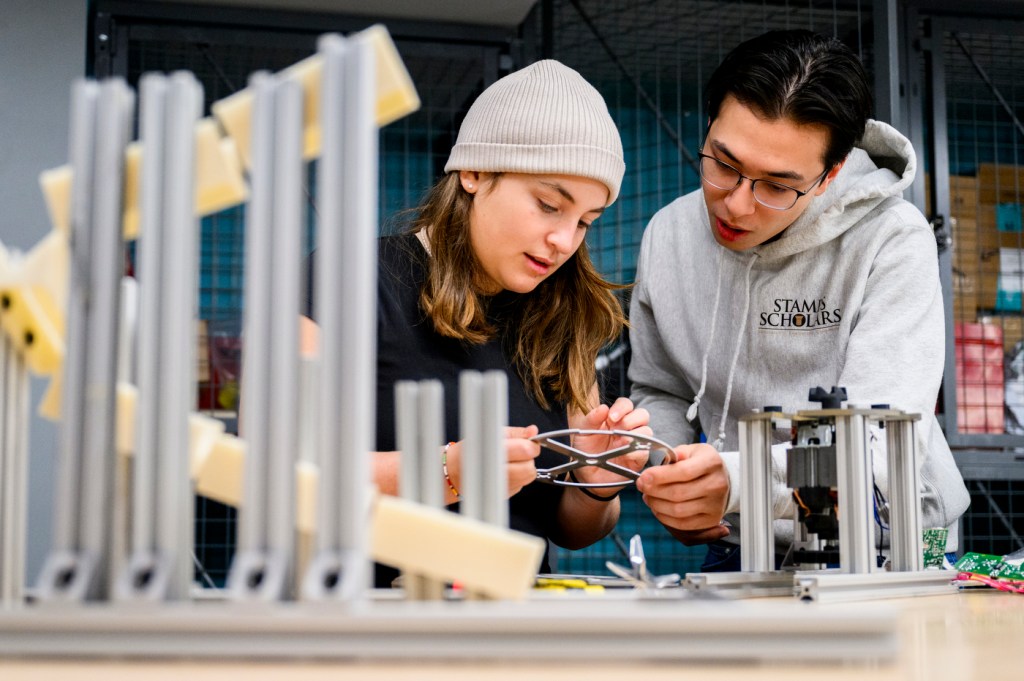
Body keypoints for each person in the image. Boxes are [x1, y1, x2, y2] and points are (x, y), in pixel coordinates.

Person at [628, 30, 970, 570]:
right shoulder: (666, 235)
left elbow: (878, 447)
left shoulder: (894, 240)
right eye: (722, 163)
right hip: (743, 536)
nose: (737, 205)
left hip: (891, 541)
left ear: (830, 175)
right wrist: (671, 470)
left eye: (777, 185)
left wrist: (736, 480)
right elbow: (658, 387)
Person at [305, 59, 649, 586]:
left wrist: (597, 483)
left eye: (585, 221)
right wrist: (447, 472)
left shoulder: (565, 313)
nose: (565, 241)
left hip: (515, 618)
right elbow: (286, 478)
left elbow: (574, 530)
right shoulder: (348, 276)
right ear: (474, 172)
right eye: (547, 205)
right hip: (368, 615)